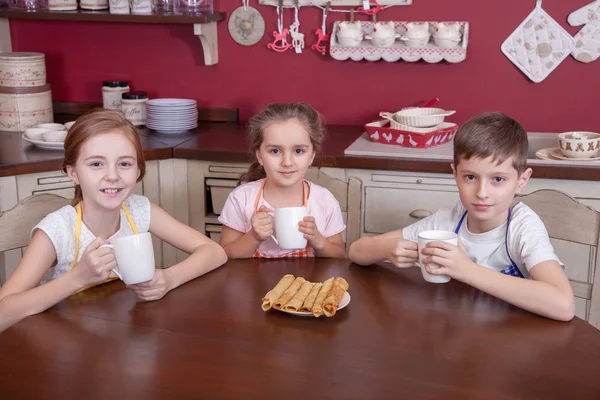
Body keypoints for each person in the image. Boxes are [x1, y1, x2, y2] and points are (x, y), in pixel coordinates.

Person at [0, 109, 227, 331]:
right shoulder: (57, 230)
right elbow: (3, 313)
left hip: (124, 332)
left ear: (138, 171)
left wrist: (169, 278)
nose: (112, 176)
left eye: (125, 164)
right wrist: (77, 278)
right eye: (96, 164)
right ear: (73, 173)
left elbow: (214, 252)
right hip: (67, 342)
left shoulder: (139, 210)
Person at [349, 112, 575, 321]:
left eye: (498, 179)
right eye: (470, 177)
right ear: (455, 174)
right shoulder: (448, 220)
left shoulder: (522, 227)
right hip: (456, 338)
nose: (482, 193)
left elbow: (563, 305)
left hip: (512, 345)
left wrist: (466, 270)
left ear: (521, 181)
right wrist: (385, 249)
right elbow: (356, 251)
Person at [219, 103, 346, 259]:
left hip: (307, 283)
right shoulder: (241, 198)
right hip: (255, 283)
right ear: (259, 155)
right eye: (275, 151)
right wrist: (253, 237)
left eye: (298, 151)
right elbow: (225, 255)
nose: (287, 162)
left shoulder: (325, 201)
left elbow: (340, 256)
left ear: (312, 155)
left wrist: (318, 241)